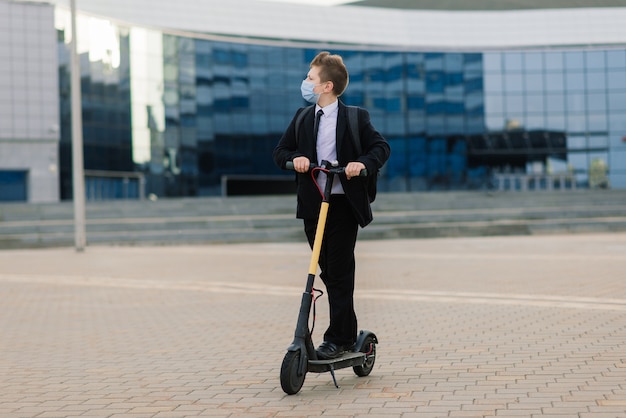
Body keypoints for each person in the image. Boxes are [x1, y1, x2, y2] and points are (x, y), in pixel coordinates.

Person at [273, 51, 390, 360]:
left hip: (342, 205)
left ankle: (337, 338)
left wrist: (360, 164)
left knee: (337, 271)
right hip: (314, 204)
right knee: (327, 272)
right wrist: (293, 159)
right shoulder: (302, 117)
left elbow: (381, 147)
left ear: (326, 86)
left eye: (310, 78)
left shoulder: (355, 117)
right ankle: (348, 333)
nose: (305, 83)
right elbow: (280, 151)